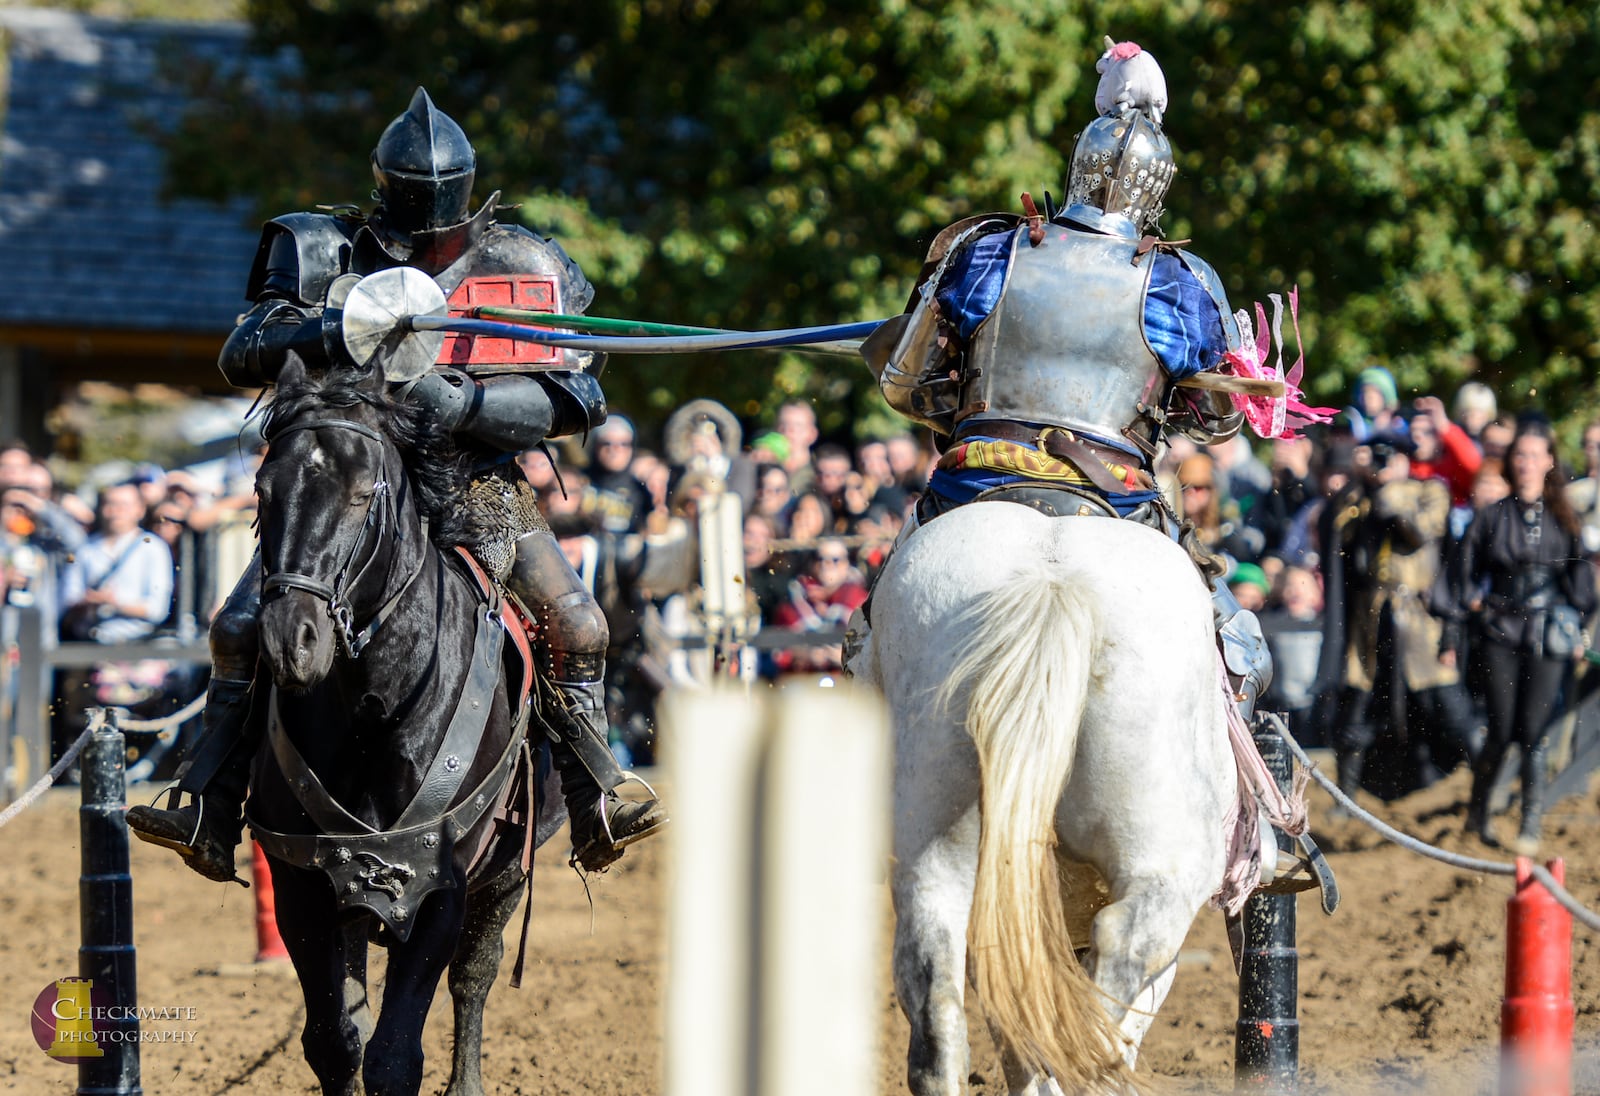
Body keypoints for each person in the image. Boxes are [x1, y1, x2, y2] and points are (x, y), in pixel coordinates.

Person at [127, 88, 665, 882]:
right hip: (346, 484)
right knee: (243, 623)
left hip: (479, 482)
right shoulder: (325, 247)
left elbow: (577, 393)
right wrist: (344, 321)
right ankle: (208, 800)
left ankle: (595, 798)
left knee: (577, 623)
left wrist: (466, 399)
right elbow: (247, 348)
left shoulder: (525, 260)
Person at [854, 39, 1301, 721]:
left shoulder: (986, 249)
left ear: (1076, 166)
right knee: (1244, 655)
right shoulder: (1181, 282)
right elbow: (1220, 422)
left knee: (867, 641)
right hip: (1114, 499)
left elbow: (903, 388)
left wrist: (962, 393)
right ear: (1159, 189)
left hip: (972, 484)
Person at [1454, 419, 1595, 854]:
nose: (1527, 463)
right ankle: (1478, 814)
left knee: (1534, 732)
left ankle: (1530, 822)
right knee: (1501, 730)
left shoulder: (1566, 520)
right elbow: (1462, 572)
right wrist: (1469, 606)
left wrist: (1578, 626)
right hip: (1500, 630)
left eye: (1535, 456)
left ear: (1550, 461)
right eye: (1520, 455)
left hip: (1548, 632)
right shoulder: (1492, 517)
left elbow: (1582, 582)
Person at [1321, 432, 1478, 800]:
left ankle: (1480, 792)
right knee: (1356, 709)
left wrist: (1389, 494)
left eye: (1388, 458)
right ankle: (1346, 800)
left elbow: (1420, 532)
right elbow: (1336, 532)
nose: (1382, 465)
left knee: (1445, 705)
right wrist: (1362, 484)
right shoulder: (1359, 497)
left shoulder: (1429, 492)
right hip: (1371, 623)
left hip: (1420, 623)